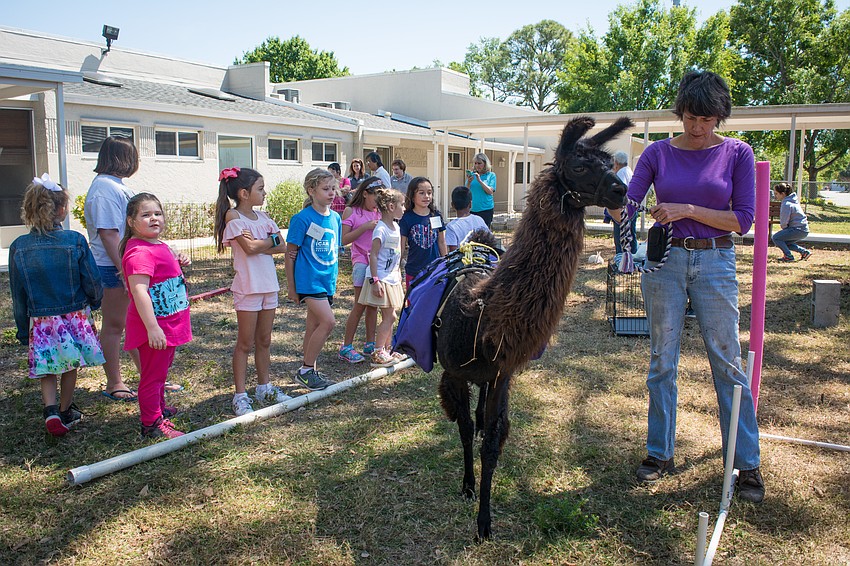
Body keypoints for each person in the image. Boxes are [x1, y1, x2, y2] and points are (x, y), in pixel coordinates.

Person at [608, 70, 765, 503]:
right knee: (662, 360)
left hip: (717, 261)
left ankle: (745, 462)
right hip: (666, 263)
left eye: (708, 119)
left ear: (720, 116)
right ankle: (660, 454)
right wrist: (619, 209)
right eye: (692, 117)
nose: (698, 127)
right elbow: (630, 200)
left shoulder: (738, 154)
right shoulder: (658, 152)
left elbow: (743, 219)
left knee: (728, 361)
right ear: (680, 112)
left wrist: (687, 208)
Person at [10, 174, 105, 436]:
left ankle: (50, 409)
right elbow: (92, 279)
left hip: (41, 320)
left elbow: (18, 294)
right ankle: (65, 410)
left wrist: (21, 329)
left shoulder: (19, 246)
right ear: (61, 210)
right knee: (69, 364)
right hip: (72, 315)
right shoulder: (74, 240)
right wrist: (95, 301)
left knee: (48, 366)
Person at [214, 167, 293, 416]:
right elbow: (250, 248)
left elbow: (281, 246)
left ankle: (263, 386)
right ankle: (240, 395)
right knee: (245, 343)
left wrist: (264, 243)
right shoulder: (233, 217)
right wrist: (267, 243)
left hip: (269, 286)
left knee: (265, 340)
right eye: (260, 189)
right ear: (244, 193)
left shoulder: (265, 217)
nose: (265, 193)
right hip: (248, 288)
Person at [120, 193, 193, 439]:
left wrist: (178, 258)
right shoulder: (139, 252)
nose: (154, 219)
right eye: (146, 215)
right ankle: (151, 423)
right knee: (152, 375)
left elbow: (164, 269)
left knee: (161, 370)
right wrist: (152, 328)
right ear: (131, 221)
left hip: (169, 324)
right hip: (155, 326)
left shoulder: (157, 245)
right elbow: (139, 291)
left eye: (157, 213)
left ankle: (158, 410)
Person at [84, 136, 144, 402]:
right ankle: (114, 382)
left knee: (135, 324)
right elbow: (108, 234)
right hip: (111, 267)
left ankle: (150, 377)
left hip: (123, 265)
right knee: (115, 325)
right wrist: (124, 270)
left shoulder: (115, 187)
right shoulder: (104, 189)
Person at [285, 169, 342, 391]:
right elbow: (290, 254)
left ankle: (310, 369)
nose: (331, 193)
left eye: (333, 189)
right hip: (309, 281)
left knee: (314, 325)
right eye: (325, 189)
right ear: (311, 190)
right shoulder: (302, 218)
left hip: (327, 281)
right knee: (328, 322)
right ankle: (306, 370)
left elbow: (333, 252)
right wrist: (292, 287)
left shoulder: (336, 218)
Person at [358, 188, 407, 367]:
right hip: (381, 279)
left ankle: (387, 349)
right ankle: (378, 352)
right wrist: (375, 280)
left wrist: (399, 275)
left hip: (393, 278)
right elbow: (374, 255)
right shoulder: (381, 229)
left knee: (392, 314)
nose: (404, 208)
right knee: (390, 316)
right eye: (402, 205)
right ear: (391, 206)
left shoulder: (397, 227)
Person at [339, 177, 382, 364]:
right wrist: (365, 227)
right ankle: (346, 346)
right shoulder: (352, 211)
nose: (378, 201)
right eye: (375, 196)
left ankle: (370, 343)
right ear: (365, 193)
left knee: (373, 304)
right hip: (360, 262)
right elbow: (344, 240)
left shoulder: (379, 212)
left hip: (376, 263)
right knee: (360, 304)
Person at [399, 176, 446, 287]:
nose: (426, 196)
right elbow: (401, 246)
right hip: (414, 270)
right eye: (421, 193)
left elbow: (441, 242)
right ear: (412, 195)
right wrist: (396, 268)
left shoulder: (436, 215)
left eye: (429, 193)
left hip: (434, 269)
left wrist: (446, 264)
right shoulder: (406, 218)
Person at [771, 182, 811, 262]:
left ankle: (788, 256)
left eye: (776, 194)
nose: (775, 196)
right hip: (803, 230)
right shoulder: (793, 201)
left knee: (776, 238)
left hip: (797, 229)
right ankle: (804, 252)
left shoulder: (786, 204)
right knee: (784, 242)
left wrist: (784, 228)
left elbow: (784, 220)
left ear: (782, 194)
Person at [445, 186, 490, 252]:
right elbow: (489, 240)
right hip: (482, 258)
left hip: (462, 261)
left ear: (452, 205)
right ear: (470, 204)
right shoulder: (479, 220)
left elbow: (453, 252)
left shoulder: (451, 226)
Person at [611, 150, 639, 255]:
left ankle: (621, 258)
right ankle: (633, 255)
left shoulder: (620, 173)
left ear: (616, 163)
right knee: (632, 233)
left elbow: (619, 190)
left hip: (623, 209)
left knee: (620, 235)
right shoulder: (629, 170)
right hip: (632, 207)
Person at [465, 152, 497, 228]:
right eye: (475, 163)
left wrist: (480, 181)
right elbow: (466, 191)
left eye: (479, 163)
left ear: (485, 164)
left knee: (484, 233)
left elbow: (490, 191)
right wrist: (469, 181)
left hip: (486, 209)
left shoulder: (491, 175)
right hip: (473, 209)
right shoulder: (472, 175)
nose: (477, 165)